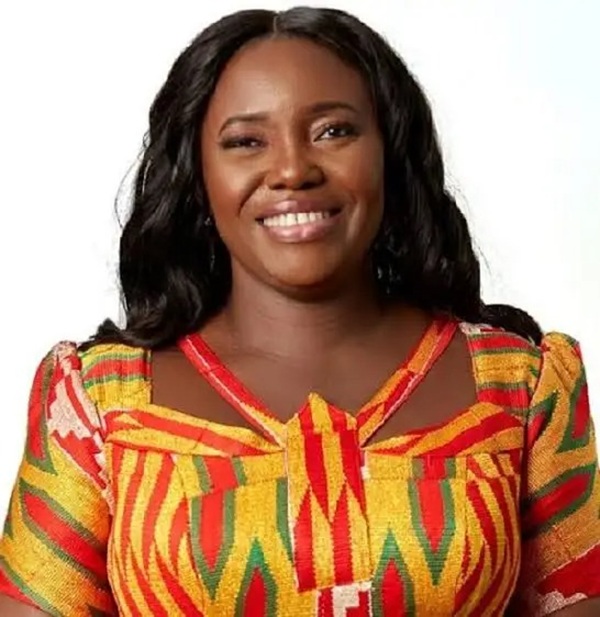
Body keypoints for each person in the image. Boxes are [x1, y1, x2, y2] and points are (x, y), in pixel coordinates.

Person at [0, 6, 598, 616]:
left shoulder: (521, 386)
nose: (292, 170)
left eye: (333, 131)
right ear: (198, 175)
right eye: (245, 141)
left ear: (390, 152)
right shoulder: (99, 403)